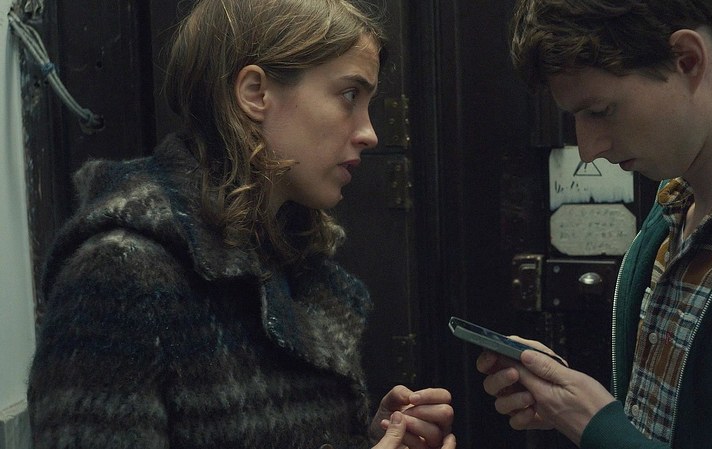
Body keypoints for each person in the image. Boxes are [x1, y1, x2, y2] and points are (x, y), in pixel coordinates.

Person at [26, 1, 456, 448]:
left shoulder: (290, 260)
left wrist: (370, 439)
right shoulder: (119, 272)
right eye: (350, 95)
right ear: (255, 93)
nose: (370, 133)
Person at [477, 0, 712, 448]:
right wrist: (570, 403)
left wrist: (599, 427)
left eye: (600, 110)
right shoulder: (675, 202)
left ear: (687, 60)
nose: (588, 149)